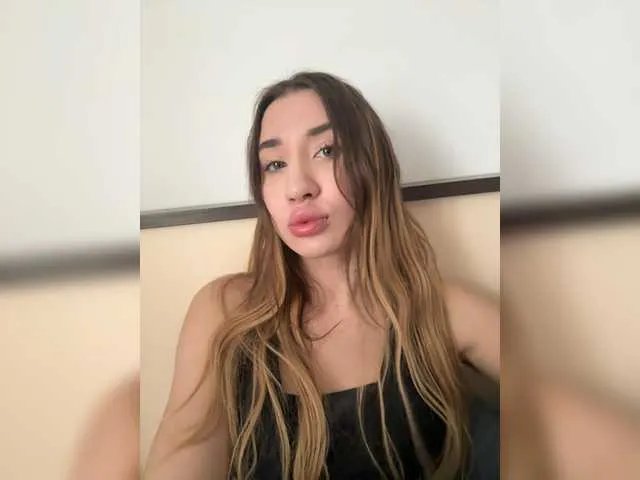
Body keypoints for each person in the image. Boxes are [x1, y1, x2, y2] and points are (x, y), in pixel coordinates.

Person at [145, 71, 499, 479]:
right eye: (275, 164)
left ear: (372, 166)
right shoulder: (223, 311)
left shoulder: (443, 310)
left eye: (326, 151)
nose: (297, 188)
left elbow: (547, 417)